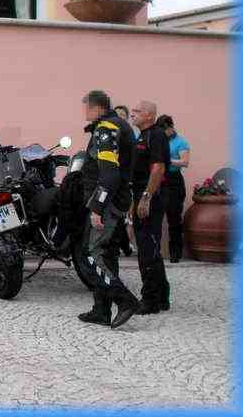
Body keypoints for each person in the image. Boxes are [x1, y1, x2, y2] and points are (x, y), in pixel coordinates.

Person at [76, 90, 140, 329]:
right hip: (118, 199)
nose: (85, 113)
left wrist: (97, 208)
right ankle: (101, 310)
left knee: (90, 255)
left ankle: (125, 301)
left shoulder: (106, 129)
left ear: (95, 108)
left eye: (86, 108)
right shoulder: (120, 125)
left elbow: (110, 175)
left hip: (107, 203)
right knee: (107, 254)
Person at [130, 100, 172, 314]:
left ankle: (150, 300)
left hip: (151, 195)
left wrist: (146, 197)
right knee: (150, 247)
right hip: (141, 193)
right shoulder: (142, 135)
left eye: (137, 111)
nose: (132, 114)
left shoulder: (155, 135)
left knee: (147, 248)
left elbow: (158, 168)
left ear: (149, 115)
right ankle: (162, 296)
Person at [156, 114, 190, 263]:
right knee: (155, 218)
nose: (164, 133)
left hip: (173, 181)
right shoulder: (158, 140)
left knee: (174, 218)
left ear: (171, 127)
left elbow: (184, 162)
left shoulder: (180, 142)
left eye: (165, 130)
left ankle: (175, 252)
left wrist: (167, 160)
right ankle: (154, 252)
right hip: (158, 179)